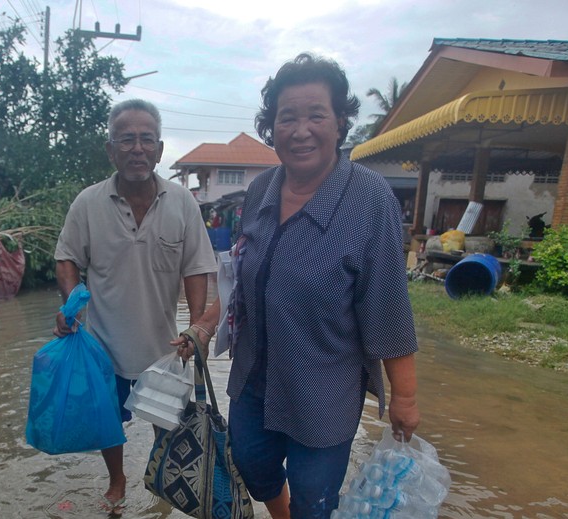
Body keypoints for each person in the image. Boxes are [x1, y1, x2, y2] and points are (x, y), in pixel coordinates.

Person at [173, 53, 421, 519]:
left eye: (316, 115)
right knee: (251, 462)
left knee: (315, 495)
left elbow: (388, 305)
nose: (301, 129)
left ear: (340, 122)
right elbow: (240, 278)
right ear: (272, 127)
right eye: (287, 117)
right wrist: (205, 325)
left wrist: (404, 397)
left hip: (324, 384)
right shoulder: (262, 188)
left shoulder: (370, 199)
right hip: (255, 375)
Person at [52, 99, 218, 514]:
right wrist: (71, 305)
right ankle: (118, 480)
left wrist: (197, 327)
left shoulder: (182, 202)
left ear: (159, 150)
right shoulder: (87, 203)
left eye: (146, 140)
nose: (137, 148)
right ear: (111, 150)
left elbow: (197, 268)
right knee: (109, 423)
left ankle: (161, 476)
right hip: (103, 344)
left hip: (163, 345)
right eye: (126, 139)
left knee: (167, 422)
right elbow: (66, 258)